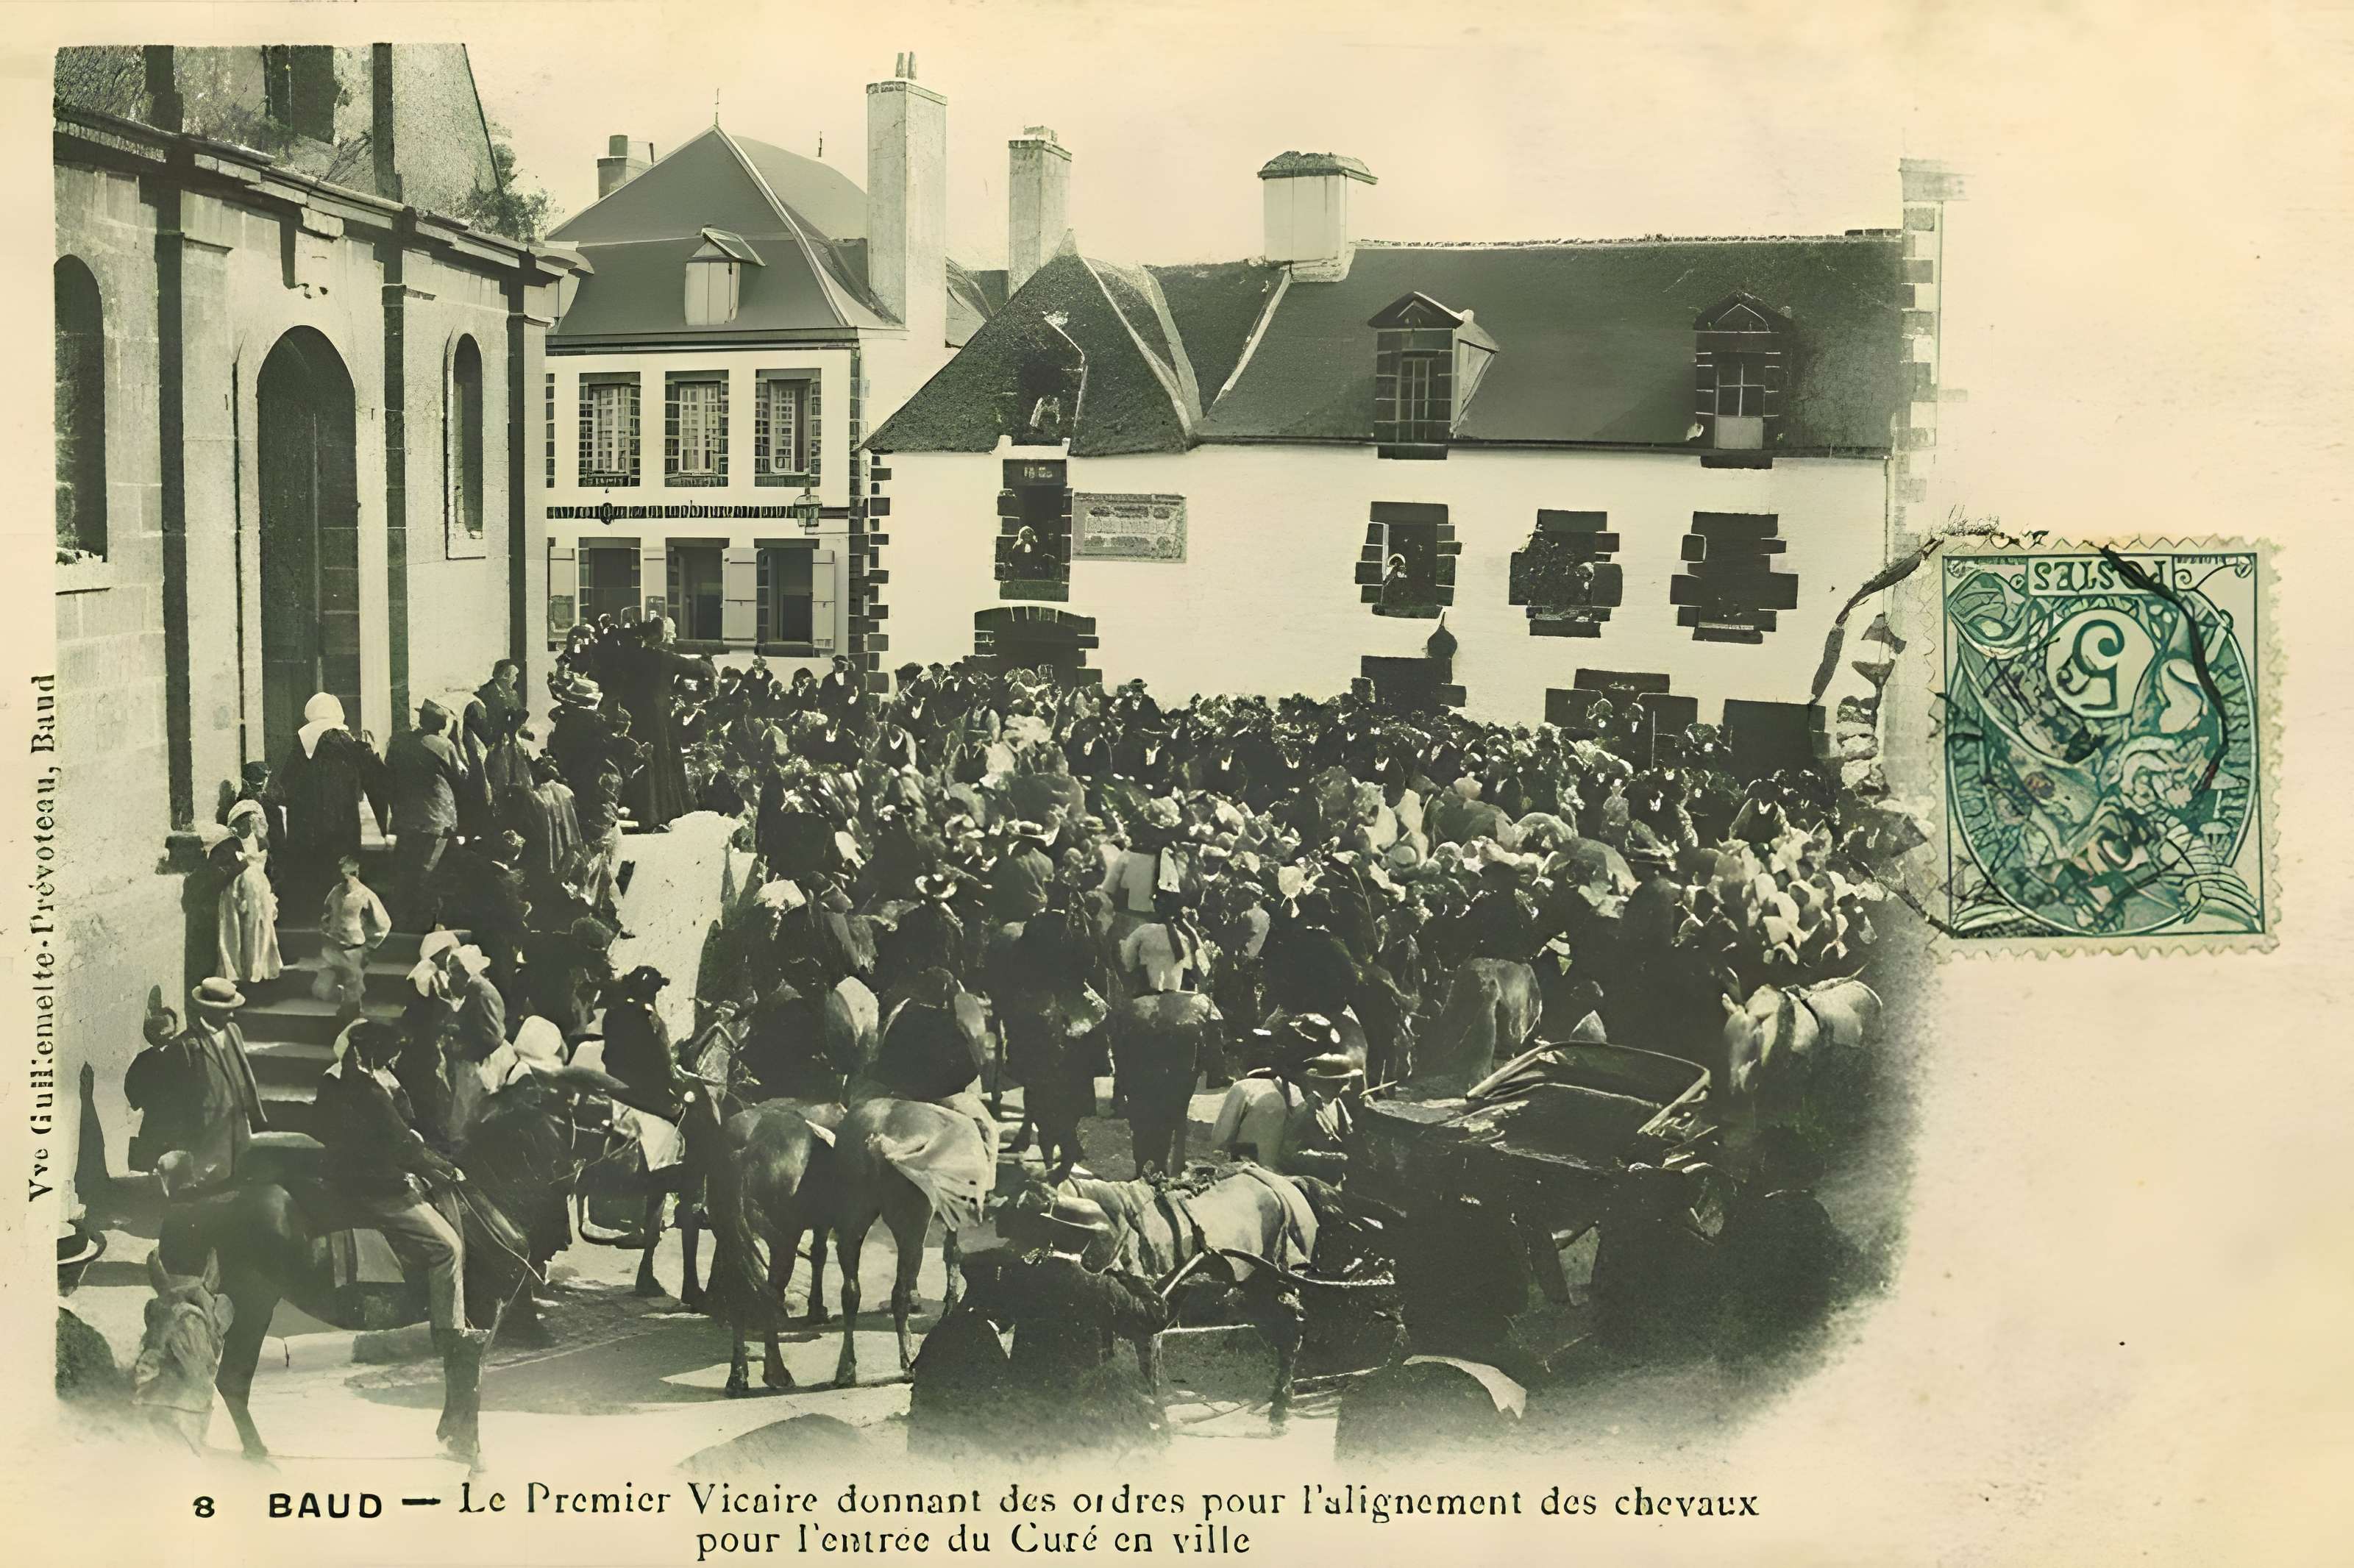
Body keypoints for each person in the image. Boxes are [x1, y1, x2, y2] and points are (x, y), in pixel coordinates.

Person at [310, 1020, 486, 1369]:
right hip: (376, 1187)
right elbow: (403, 1144)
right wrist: (446, 1169)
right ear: (371, 1052)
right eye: (391, 1054)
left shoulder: (334, 1081)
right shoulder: (368, 1089)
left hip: (348, 1176)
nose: (395, 1060)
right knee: (448, 1247)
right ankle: (449, 1334)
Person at [977, 1193, 1171, 1455]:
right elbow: (1151, 1320)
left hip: (1027, 1403)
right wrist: (1136, 1283)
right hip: (1084, 1407)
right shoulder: (1102, 1288)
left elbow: (1000, 1318)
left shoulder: (1021, 1278)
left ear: (1050, 1232)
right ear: (1087, 1242)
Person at [133, 979, 268, 1194]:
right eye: (226, 1011)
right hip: (206, 1129)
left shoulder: (234, 1031)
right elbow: (176, 1097)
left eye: (232, 1009)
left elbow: (243, 1074)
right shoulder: (186, 1046)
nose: (232, 1015)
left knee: (235, 1177)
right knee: (208, 1184)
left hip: (235, 1122)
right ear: (209, 1011)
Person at [277, 693, 387, 910]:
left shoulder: (300, 745)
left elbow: (286, 784)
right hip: (343, 819)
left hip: (308, 823)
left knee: (314, 871)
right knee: (341, 870)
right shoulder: (349, 744)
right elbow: (378, 780)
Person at [601, 617, 713, 828]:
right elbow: (695, 666)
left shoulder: (631, 656)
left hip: (634, 715)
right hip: (657, 717)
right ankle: (662, 811)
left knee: (636, 758)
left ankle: (633, 808)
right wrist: (707, 666)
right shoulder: (665, 658)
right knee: (660, 760)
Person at [385, 702, 468, 931]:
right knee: (429, 870)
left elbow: (388, 772)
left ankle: (400, 920)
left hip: (406, 817)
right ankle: (422, 922)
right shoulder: (444, 745)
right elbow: (462, 774)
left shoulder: (399, 742)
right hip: (436, 818)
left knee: (405, 868)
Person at [213, 800, 282, 986]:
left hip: (257, 888)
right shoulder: (230, 843)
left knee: (258, 928)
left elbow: (268, 867)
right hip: (236, 887)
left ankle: (256, 972)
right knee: (233, 932)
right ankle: (235, 974)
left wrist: (271, 892)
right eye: (245, 822)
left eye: (252, 823)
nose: (249, 826)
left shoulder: (260, 842)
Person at [316, 855, 393, 1015]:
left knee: (353, 985)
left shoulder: (365, 894)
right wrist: (326, 930)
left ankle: (352, 1015)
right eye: (341, 877)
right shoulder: (336, 891)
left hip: (354, 948)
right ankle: (343, 1011)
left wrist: (370, 944)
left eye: (346, 877)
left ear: (355, 874)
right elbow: (327, 912)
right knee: (332, 984)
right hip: (335, 945)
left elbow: (384, 923)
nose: (343, 881)